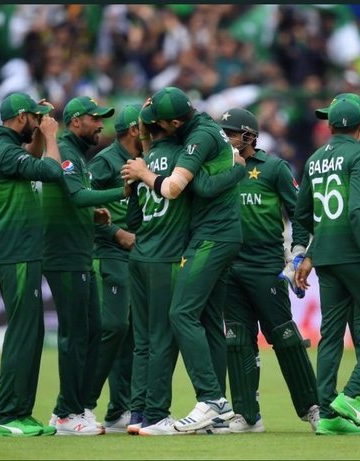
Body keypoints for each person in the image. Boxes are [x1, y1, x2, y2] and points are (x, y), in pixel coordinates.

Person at [121, 87, 243, 433]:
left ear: (174, 122)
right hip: (214, 234)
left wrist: (143, 173)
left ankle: (211, 401)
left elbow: (174, 188)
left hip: (210, 236)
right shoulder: (196, 131)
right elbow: (205, 184)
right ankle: (217, 414)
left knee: (180, 314)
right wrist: (236, 168)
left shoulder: (196, 139)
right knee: (207, 321)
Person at [294, 98, 360, 435]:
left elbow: (303, 213)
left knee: (331, 334)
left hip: (325, 256)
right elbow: (358, 211)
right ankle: (352, 397)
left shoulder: (314, 159)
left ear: (329, 126)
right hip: (357, 255)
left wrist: (306, 253)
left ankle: (327, 414)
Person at [217, 108, 320, 434]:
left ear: (249, 136)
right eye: (223, 132)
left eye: (231, 133)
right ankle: (247, 415)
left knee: (285, 338)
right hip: (229, 266)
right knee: (237, 340)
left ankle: (313, 407)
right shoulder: (217, 167)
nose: (225, 138)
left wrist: (299, 252)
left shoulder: (274, 168)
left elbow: (301, 212)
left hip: (265, 266)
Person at [43, 96, 129, 436]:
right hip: (65, 254)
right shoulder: (65, 150)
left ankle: (72, 408)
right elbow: (76, 196)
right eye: (95, 119)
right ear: (76, 121)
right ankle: (67, 413)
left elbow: (75, 201)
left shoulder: (78, 155)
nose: (101, 125)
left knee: (92, 332)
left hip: (79, 252)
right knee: (75, 334)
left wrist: (93, 214)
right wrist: (121, 192)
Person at [0, 91, 61, 437]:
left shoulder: (1, 147)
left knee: (31, 331)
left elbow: (31, 157)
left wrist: (40, 132)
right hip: (16, 251)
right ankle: (4, 417)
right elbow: (53, 170)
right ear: (20, 117)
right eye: (33, 117)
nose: (37, 123)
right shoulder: (4, 152)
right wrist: (52, 136)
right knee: (23, 331)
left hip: (17, 249)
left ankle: (21, 413)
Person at [84, 104, 142, 433]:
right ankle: (81, 403)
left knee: (131, 332)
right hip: (108, 253)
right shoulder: (104, 162)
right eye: (146, 127)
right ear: (134, 130)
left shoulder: (145, 161)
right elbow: (84, 205)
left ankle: (120, 409)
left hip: (137, 256)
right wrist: (116, 233)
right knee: (114, 326)